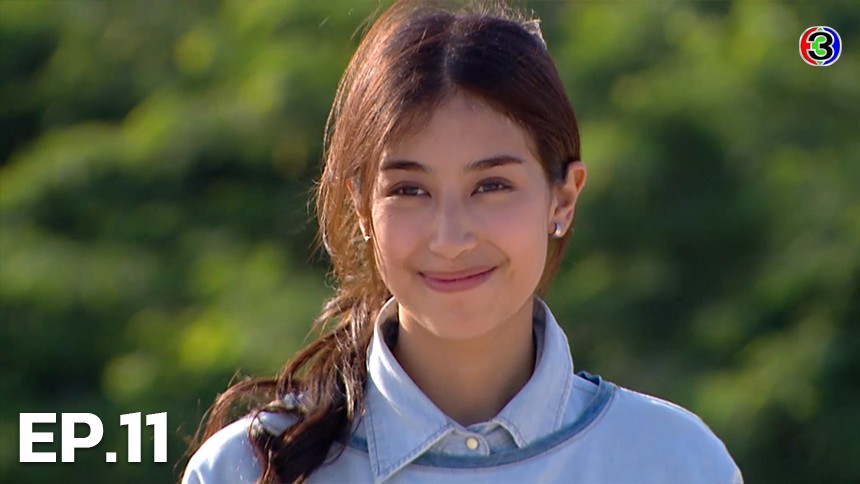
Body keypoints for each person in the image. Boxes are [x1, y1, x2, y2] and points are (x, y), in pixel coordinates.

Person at [182, 1, 742, 482]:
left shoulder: (673, 462)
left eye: (491, 185)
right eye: (409, 190)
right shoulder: (248, 468)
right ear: (362, 207)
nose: (450, 239)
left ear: (563, 198)